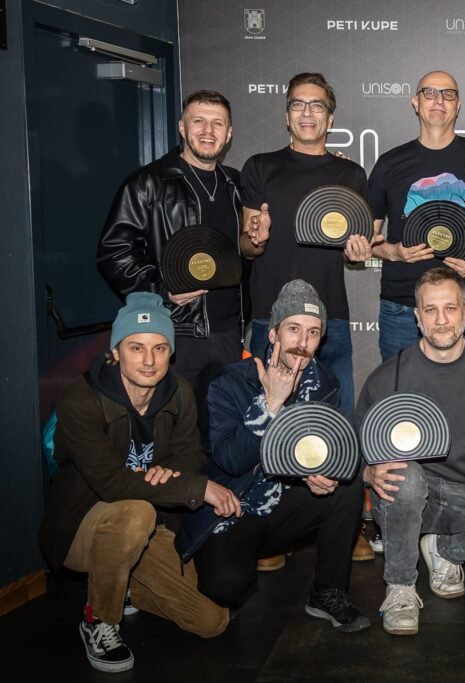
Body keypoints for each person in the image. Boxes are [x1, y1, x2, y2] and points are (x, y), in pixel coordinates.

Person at [39, 292, 236, 673]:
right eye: (136, 348)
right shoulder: (81, 398)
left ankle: (122, 582)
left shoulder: (178, 392)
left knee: (211, 621)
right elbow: (111, 484)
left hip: (150, 524)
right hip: (82, 526)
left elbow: (190, 456)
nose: (149, 360)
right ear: (116, 352)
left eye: (159, 348)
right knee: (134, 512)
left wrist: (173, 473)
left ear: (170, 353)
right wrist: (195, 487)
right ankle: (99, 620)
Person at [176, 280, 370, 632]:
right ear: (273, 334)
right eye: (293, 329)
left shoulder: (325, 384)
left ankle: (328, 592)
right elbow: (231, 461)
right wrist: (271, 404)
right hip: (233, 507)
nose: (302, 342)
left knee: (348, 482)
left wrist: (319, 472)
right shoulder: (230, 381)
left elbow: (328, 449)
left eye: (313, 332)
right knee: (226, 586)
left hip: (284, 504)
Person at [358, 267, 465, 636]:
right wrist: (367, 473)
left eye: (450, 308)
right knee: (405, 474)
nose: (441, 320)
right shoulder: (388, 377)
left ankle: (443, 549)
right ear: (417, 317)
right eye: (431, 310)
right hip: (406, 497)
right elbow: (354, 450)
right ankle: (400, 586)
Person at [97, 90, 244, 436]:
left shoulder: (236, 184)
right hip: (174, 331)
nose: (207, 130)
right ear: (182, 127)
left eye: (217, 123)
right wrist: (162, 290)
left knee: (221, 431)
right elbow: (113, 251)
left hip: (228, 332)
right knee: (172, 432)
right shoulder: (148, 183)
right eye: (198, 121)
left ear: (229, 133)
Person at [240, 72, 375, 418]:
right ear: (287, 116)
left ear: (330, 118)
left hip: (330, 319)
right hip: (270, 316)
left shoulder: (352, 175)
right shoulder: (259, 167)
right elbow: (247, 247)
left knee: (336, 421)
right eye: (298, 104)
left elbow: (355, 254)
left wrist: (358, 254)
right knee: (264, 417)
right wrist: (255, 238)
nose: (307, 112)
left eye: (317, 105)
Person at [368, 70, 465, 360]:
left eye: (448, 94)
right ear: (416, 102)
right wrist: (394, 252)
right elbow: (366, 237)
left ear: (458, 105)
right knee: (399, 388)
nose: (439, 100)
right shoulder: (389, 163)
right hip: (403, 307)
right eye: (430, 93)